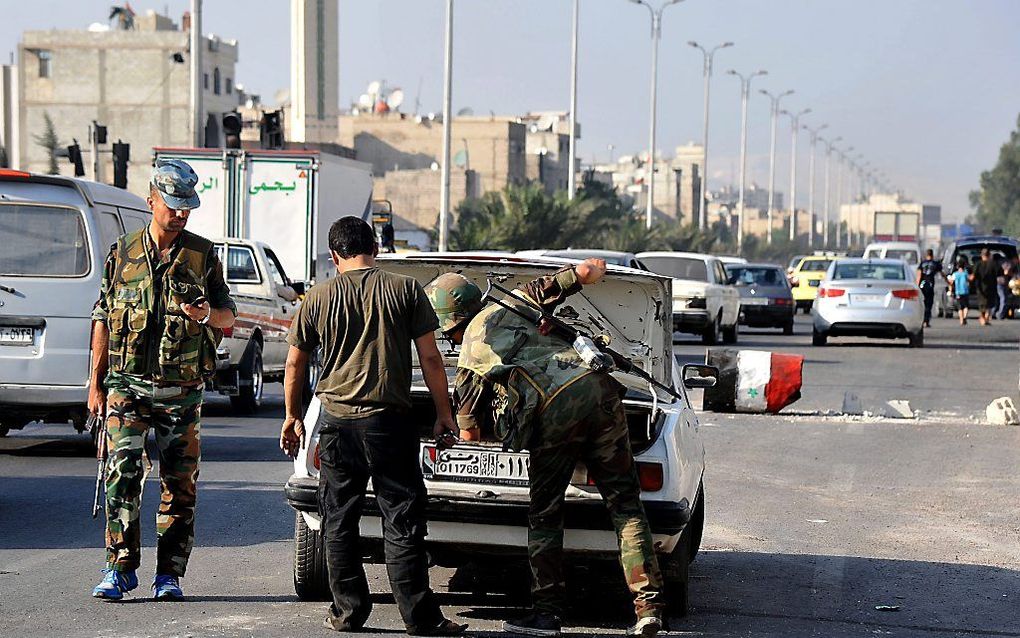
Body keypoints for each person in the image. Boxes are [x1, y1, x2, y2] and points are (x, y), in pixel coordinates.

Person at [426, 259, 665, 638]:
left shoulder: (471, 353)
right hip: (599, 388)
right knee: (625, 505)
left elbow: (469, 434)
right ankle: (647, 609)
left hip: (555, 413)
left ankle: (548, 615)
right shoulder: (518, 300)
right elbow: (588, 271)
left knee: (546, 514)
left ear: (448, 324)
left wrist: (501, 432)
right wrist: (589, 271)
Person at [279, 216, 466, 636]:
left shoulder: (318, 296)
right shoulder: (403, 289)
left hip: (336, 423)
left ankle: (348, 613)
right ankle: (420, 619)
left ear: (334, 255)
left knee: (338, 519)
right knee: (401, 519)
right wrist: (443, 413)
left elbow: (295, 362)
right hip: (389, 423)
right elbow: (431, 359)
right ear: (375, 250)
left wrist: (292, 416)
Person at [87, 159, 237, 601]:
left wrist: (206, 314)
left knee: (179, 485)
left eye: (187, 206)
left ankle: (168, 575)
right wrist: (94, 384)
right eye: (173, 205)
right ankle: (119, 569)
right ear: (151, 200)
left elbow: (229, 317)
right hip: (126, 386)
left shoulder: (202, 255)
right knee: (122, 475)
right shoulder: (122, 253)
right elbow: (102, 319)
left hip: (182, 392)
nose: (181, 213)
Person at [915, 248, 943, 327]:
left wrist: (917, 286)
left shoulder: (922, 263)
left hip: (922, 284)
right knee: (929, 303)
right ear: (932, 255)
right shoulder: (935, 263)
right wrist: (948, 281)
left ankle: (922, 319)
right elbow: (942, 273)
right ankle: (926, 321)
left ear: (926, 255)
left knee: (922, 303)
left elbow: (919, 276)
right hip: (930, 284)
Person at [972, 248, 999, 325]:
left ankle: (983, 318)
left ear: (981, 255)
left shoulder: (978, 264)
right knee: (990, 303)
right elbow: (999, 273)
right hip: (991, 286)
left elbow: (973, 276)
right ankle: (987, 317)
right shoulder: (993, 264)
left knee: (982, 303)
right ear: (989, 255)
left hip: (980, 287)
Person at [950, 259, 971, 326]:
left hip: (958, 292)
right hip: (965, 291)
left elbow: (951, 282)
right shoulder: (965, 273)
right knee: (966, 306)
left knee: (960, 307)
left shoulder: (955, 274)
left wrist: (950, 290)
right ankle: (965, 317)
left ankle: (961, 319)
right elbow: (969, 280)